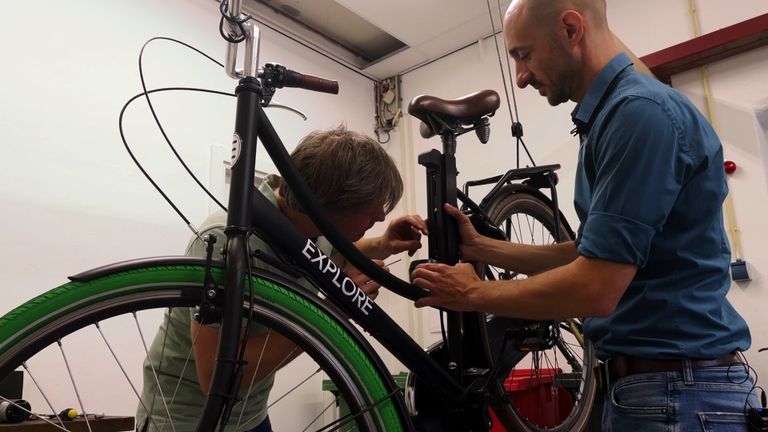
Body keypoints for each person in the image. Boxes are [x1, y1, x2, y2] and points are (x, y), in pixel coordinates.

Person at [411, 0, 757, 430]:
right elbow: (590, 253)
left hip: (677, 397)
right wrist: (484, 247)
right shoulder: (616, 115)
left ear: (571, 29)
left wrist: (473, 295)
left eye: (524, 54)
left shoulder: (639, 115)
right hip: (661, 392)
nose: (519, 78)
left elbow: (597, 286)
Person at [135, 125, 427, 432]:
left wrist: (381, 243)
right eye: (370, 207)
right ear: (324, 206)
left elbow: (331, 254)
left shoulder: (310, 231)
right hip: (186, 422)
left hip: (253, 415)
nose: (380, 216)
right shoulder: (227, 241)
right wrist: (331, 314)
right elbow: (215, 376)